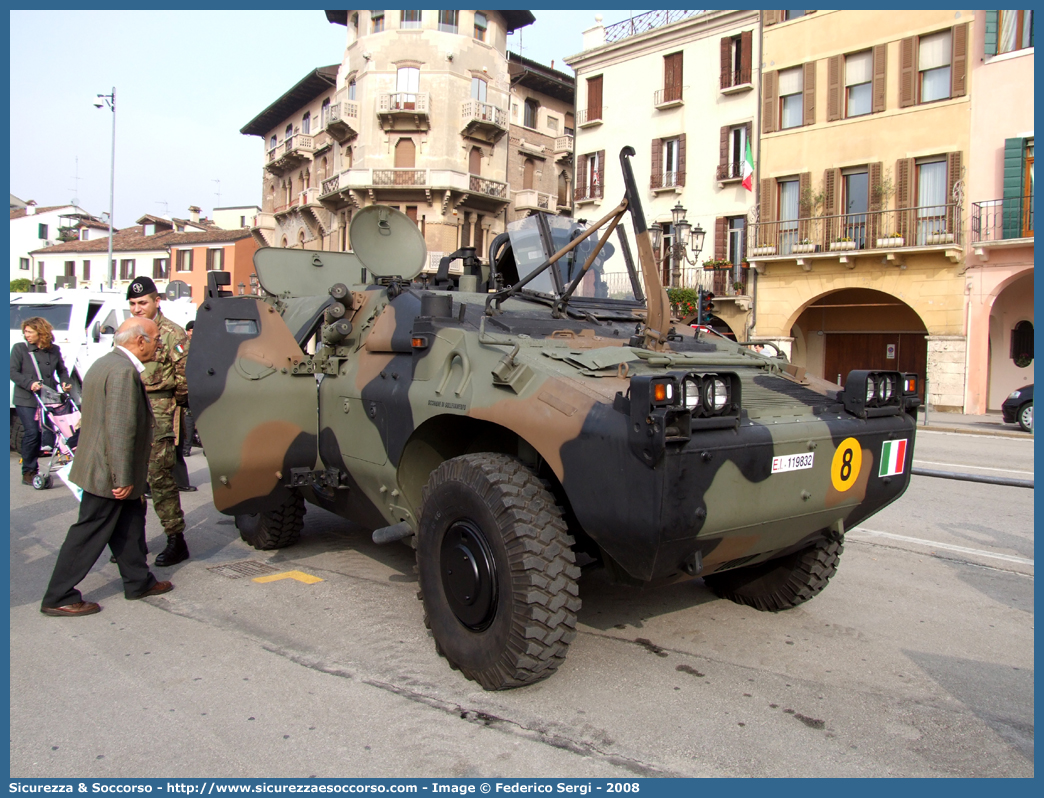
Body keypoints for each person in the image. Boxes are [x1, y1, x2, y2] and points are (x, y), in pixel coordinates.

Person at [40, 317, 173, 617]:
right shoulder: (124, 371)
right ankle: (59, 595)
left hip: (100, 464)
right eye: (155, 339)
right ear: (140, 341)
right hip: (108, 471)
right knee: (89, 531)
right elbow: (119, 427)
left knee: (128, 523)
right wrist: (122, 476)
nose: (159, 344)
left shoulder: (104, 362)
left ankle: (138, 581)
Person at [126, 276, 191, 566]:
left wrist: (170, 405)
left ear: (156, 301)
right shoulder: (127, 332)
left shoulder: (172, 334)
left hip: (160, 408)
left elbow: (184, 378)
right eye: (132, 304)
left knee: (159, 477)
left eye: (143, 302)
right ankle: (132, 543)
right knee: (129, 477)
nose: (137, 308)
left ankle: (175, 538)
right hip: (130, 406)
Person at [10, 316, 72, 485]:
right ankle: (29, 471)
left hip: (48, 396)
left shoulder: (54, 350)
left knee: (60, 431)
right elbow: (13, 372)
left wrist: (66, 383)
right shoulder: (20, 349)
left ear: (41, 332)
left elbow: (62, 370)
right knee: (32, 432)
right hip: (26, 397)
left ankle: (68, 464)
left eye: (30, 332)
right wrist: (30, 383)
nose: (26, 335)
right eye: (25, 332)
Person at [180, 320, 198, 458]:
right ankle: (186, 448)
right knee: (189, 418)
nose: (192, 333)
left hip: (199, 383)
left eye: (194, 330)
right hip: (186, 383)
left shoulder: (202, 344)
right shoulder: (181, 345)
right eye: (190, 330)